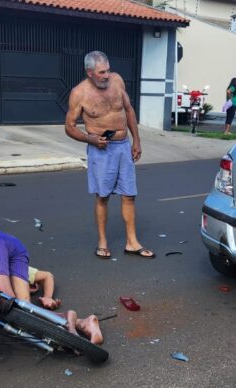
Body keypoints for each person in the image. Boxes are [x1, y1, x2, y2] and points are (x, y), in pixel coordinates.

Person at [64, 51, 154, 260]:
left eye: (108, 70)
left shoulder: (117, 81)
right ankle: (102, 242)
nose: (107, 75)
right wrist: (91, 139)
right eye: (102, 72)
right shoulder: (79, 93)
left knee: (129, 195)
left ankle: (132, 242)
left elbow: (129, 110)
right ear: (90, 72)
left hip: (123, 146)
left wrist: (137, 140)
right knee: (103, 196)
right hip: (101, 150)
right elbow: (69, 127)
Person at [0, 230, 104, 344]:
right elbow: (47, 276)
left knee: (6, 301)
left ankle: (69, 326)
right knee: (24, 308)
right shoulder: (13, 267)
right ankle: (82, 323)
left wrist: (48, 297)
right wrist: (47, 296)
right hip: (16, 246)